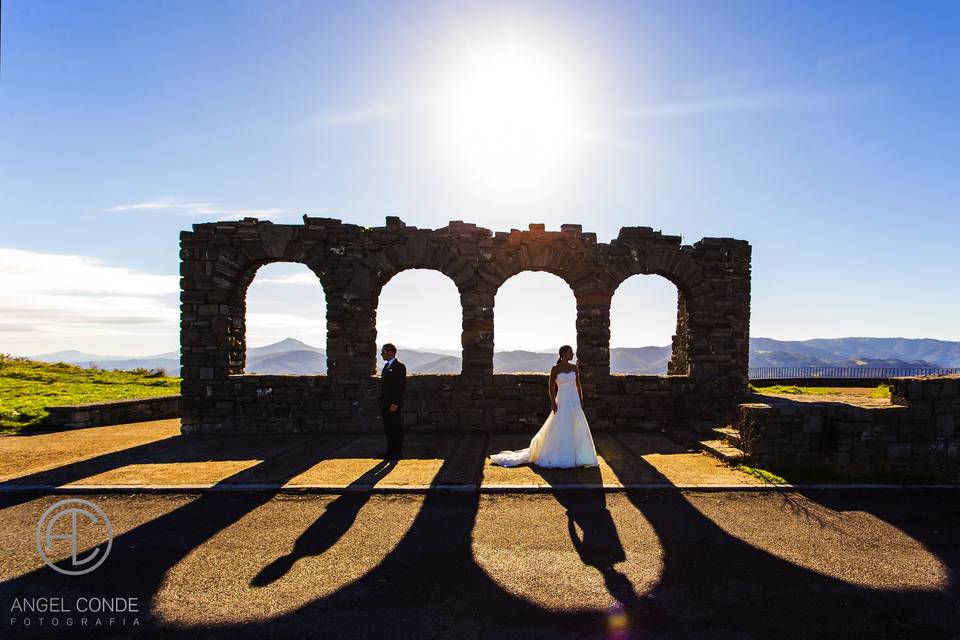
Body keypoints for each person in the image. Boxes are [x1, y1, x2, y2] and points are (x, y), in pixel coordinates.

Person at [490, 345, 599, 468]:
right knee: (561, 425)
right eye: (570, 352)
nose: (572, 354)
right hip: (562, 400)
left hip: (574, 401)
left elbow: (578, 385)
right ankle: (561, 454)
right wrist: (553, 402)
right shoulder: (555, 369)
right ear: (563, 354)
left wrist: (581, 400)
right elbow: (551, 387)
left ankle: (581, 456)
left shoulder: (574, 367)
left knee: (576, 425)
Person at [377, 343, 407, 459]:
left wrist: (395, 403)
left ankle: (397, 452)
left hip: (393, 404)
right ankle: (390, 450)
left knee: (395, 427)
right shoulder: (386, 367)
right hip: (384, 403)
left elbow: (400, 386)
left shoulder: (400, 367)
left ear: (390, 352)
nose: (381, 354)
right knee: (388, 427)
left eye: (383, 352)